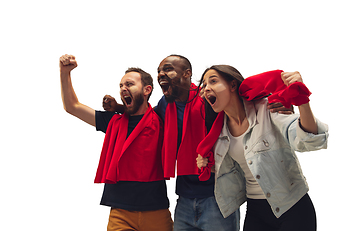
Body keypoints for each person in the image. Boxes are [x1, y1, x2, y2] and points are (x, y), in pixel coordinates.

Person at [103, 55, 293, 231]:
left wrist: (279, 102)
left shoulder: (209, 97)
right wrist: (119, 108)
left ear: (187, 74)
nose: (161, 74)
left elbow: (243, 104)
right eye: (159, 71)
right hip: (184, 198)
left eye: (168, 69)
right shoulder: (165, 105)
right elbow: (145, 115)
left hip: (217, 197)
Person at [196, 65, 329, 231]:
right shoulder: (219, 133)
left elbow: (309, 140)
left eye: (213, 81)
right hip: (256, 211)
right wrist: (208, 164)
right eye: (204, 85)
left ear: (232, 85)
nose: (206, 88)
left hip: (293, 206)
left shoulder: (267, 109)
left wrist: (302, 101)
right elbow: (239, 169)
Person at [59, 54, 173, 231]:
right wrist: (64, 73)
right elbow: (72, 106)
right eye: (121, 85)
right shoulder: (113, 122)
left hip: (157, 212)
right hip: (120, 214)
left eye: (129, 84)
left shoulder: (161, 119)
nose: (123, 88)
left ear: (147, 89)